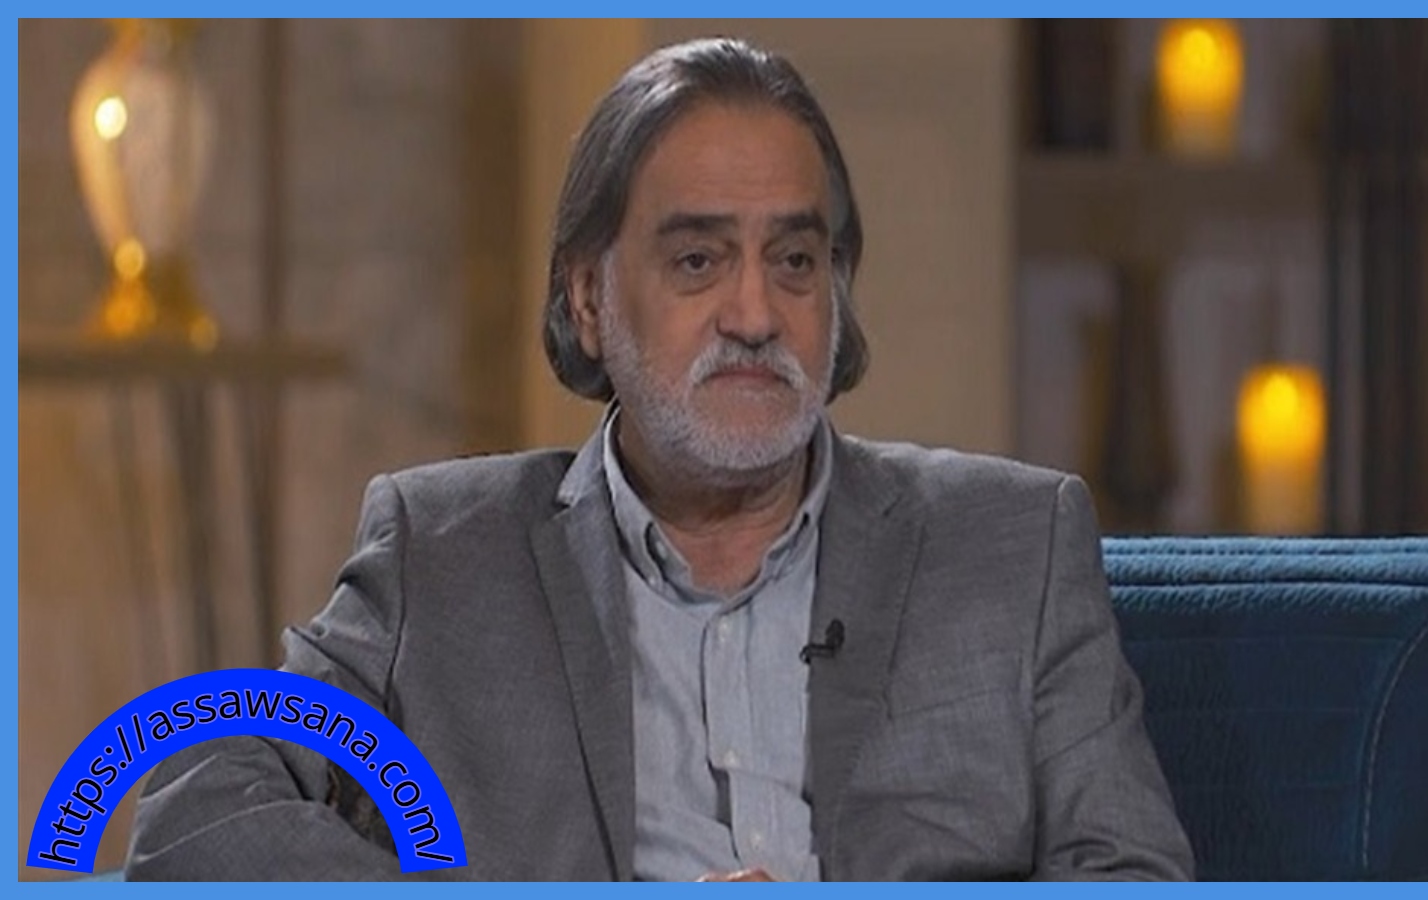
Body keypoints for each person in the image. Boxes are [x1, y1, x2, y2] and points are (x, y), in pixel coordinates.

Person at [126, 37, 1193, 881]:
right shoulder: (441, 553)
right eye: (697, 260)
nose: (754, 314)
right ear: (589, 298)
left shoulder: (1011, 543)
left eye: (794, 260)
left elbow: (1133, 870)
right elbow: (198, 806)